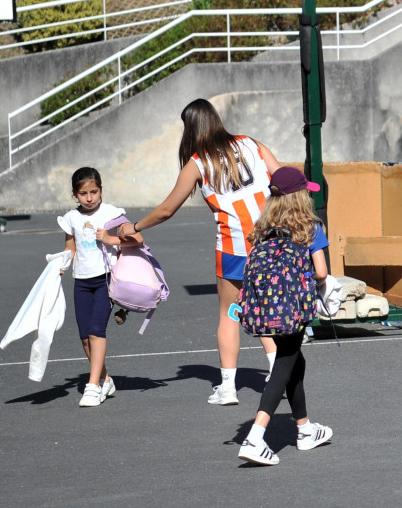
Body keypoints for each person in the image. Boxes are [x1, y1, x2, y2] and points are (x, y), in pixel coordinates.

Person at [118, 98, 281, 404]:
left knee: (230, 313)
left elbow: (167, 209)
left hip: (233, 247)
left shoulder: (197, 162)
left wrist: (135, 227)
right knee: (264, 309)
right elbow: (283, 178)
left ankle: (228, 388)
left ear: (190, 127)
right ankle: (278, 374)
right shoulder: (251, 144)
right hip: (269, 243)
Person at [238, 167, 333, 465]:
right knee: (284, 365)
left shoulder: (262, 228)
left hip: (267, 307)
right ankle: (255, 436)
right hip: (293, 308)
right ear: (300, 197)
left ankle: (305, 429)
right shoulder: (310, 228)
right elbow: (321, 272)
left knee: (294, 362)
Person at [60, 167, 142, 407]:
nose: (89, 197)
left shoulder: (112, 213)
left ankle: (93, 385)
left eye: (93, 192)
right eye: (83, 193)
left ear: (101, 190)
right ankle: (106, 379)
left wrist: (110, 239)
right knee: (85, 338)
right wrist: (61, 265)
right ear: (75, 194)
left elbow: (137, 239)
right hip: (81, 282)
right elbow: (70, 247)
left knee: (97, 331)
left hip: (105, 279)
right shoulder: (71, 218)